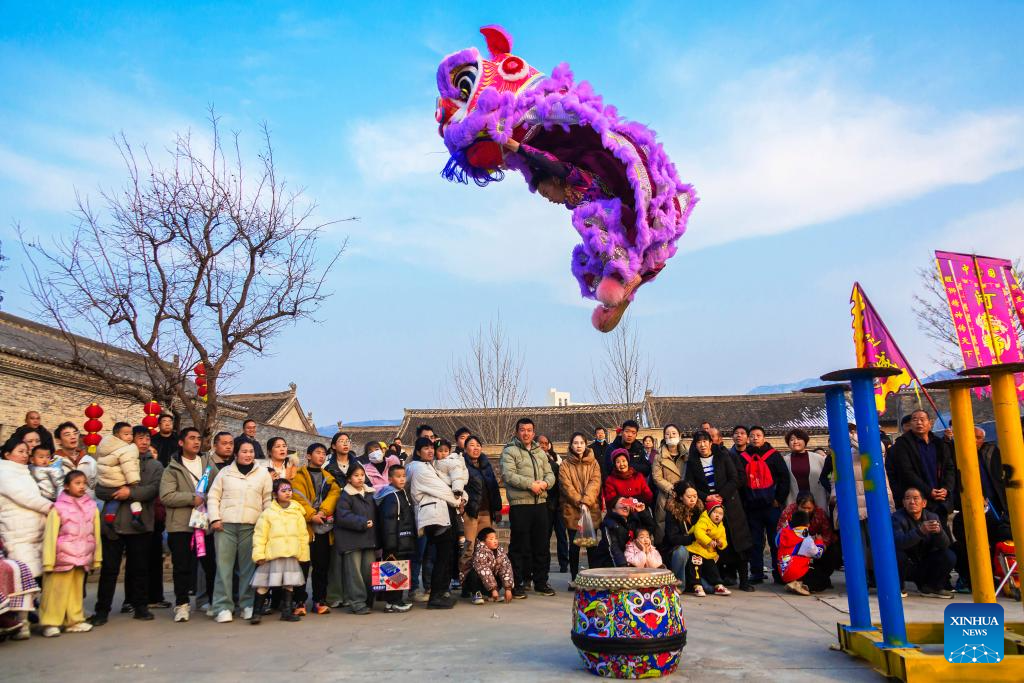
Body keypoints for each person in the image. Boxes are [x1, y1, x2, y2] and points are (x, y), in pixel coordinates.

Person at [91, 436, 163, 625]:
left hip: (140, 525)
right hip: (113, 524)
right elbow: (100, 490)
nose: (144, 442)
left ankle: (140, 607)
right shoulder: (111, 461)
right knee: (109, 570)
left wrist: (129, 493)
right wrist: (119, 491)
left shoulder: (154, 466)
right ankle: (102, 611)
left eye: (148, 438)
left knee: (140, 569)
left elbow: (153, 490)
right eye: (139, 439)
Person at [206, 439, 272, 623]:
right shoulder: (225, 473)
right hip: (225, 526)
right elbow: (213, 497)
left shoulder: (263, 474)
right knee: (224, 568)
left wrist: (265, 523)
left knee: (248, 569)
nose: (248, 454)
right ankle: (223, 607)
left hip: (251, 527)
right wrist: (215, 519)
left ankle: (247, 604)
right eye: (244, 451)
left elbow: (267, 500)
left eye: (251, 451)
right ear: (236, 454)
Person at [159, 426, 219, 623]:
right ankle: (182, 604)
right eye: (191, 438)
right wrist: (191, 498)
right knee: (182, 567)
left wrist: (208, 499)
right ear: (181, 442)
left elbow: (220, 487)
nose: (196, 442)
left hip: (204, 523)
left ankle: (211, 601)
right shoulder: (172, 468)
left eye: (198, 438)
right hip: (181, 525)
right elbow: (166, 496)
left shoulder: (208, 464)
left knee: (210, 565)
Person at [684, 429, 753, 591]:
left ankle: (744, 580)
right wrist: (707, 497)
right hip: (707, 508)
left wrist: (721, 495)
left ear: (710, 442)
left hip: (730, 503)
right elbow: (690, 484)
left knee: (738, 540)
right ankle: (719, 579)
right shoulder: (693, 462)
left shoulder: (723, 456)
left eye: (705, 441)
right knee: (713, 541)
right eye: (698, 442)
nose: (702, 445)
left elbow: (734, 478)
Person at [39, 470, 101, 637]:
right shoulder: (58, 508)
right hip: (62, 557)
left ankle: (74, 620)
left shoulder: (91, 506)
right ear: (67, 486)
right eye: (77, 483)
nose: (82, 487)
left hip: (82, 556)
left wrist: (96, 558)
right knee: (55, 591)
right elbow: (50, 535)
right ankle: (50, 622)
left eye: (83, 483)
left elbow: (96, 535)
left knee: (76, 590)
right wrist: (48, 561)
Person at [500, 418, 557, 597]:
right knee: (519, 546)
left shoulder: (539, 451)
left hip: (540, 504)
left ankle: (541, 581)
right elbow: (509, 475)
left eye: (529, 430)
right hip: (520, 504)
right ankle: (517, 583)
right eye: (522, 430)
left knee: (541, 545)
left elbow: (550, 473)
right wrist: (530, 484)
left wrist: (545, 484)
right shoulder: (510, 451)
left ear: (534, 432)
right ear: (517, 432)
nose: (526, 433)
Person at [407, 436, 462, 609]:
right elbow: (441, 489)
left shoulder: (429, 466)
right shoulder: (419, 468)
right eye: (425, 448)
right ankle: (435, 596)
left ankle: (439, 593)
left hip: (440, 513)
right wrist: (458, 500)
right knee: (441, 556)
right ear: (417, 452)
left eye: (432, 448)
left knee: (444, 556)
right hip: (434, 515)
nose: (430, 451)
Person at [248, 478, 307, 624]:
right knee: (263, 584)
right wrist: (259, 555)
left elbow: (303, 535)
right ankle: (256, 613)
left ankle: (286, 612)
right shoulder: (268, 513)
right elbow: (260, 535)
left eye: (289, 490)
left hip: (290, 555)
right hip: (271, 556)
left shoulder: (297, 512)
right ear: (275, 494)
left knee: (289, 583)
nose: (288, 493)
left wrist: (303, 555)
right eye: (283, 490)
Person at [292, 442, 339, 615]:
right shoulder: (298, 476)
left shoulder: (329, 477)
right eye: (317, 453)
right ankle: (299, 601)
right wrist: (312, 515)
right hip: (304, 527)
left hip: (323, 528)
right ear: (308, 456)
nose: (321, 456)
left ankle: (319, 599)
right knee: (302, 565)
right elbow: (298, 497)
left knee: (321, 566)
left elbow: (334, 496)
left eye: (323, 454)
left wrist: (323, 512)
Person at [739, 426, 790, 584]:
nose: (755, 438)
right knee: (755, 542)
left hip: (772, 506)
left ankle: (779, 572)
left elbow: (784, 478)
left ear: (764, 438)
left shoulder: (774, 456)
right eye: (752, 436)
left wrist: (779, 499)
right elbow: (740, 481)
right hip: (752, 507)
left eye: (758, 435)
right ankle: (756, 572)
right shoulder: (743, 457)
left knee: (776, 541)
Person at [0, 439, 53, 580]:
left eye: (27, 452)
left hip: (34, 533)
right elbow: (25, 497)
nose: (25, 455)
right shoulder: (4, 472)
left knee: (35, 579)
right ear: (7, 454)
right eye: (20, 452)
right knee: (25, 578)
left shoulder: (24, 471)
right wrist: (50, 507)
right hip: (18, 534)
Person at [887, 410, 956, 520]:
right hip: (917, 502)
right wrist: (928, 491)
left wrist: (946, 488)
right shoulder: (902, 444)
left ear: (930, 423)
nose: (919, 423)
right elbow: (906, 472)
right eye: (915, 420)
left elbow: (949, 468)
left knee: (941, 532)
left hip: (940, 500)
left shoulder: (939, 443)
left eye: (922, 420)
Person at [892, 487, 955, 598]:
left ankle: (932, 587)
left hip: (924, 563)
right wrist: (920, 532)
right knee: (896, 555)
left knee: (948, 555)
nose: (912, 502)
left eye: (916, 498)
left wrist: (939, 533)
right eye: (908, 498)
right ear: (903, 503)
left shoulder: (932, 517)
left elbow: (945, 545)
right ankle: (898, 587)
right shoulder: (896, 518)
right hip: (906, 564)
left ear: (924, 503)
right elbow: (899, 542)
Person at [558, 432, 602, 586]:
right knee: (574, 546)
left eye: (581, 443)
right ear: (571, 445)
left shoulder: (594, 463)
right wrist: (579, 501)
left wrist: (586, 501)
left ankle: (593, 578)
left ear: (586, 444)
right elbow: (566, 486)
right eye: (575, 443)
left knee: (591, 545)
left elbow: (595, 483)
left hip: (591, 509)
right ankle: (575, 578)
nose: (578, 446)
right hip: (572, 509)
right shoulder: (565, 464)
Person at [133, 426, 170, 611]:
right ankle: (134, 600)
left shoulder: (158, 468)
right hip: (136, 518)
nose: (150, 451)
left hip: (156, 517)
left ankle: (156, 596)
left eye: (154, 450)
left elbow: (158, 491)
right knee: (138, 562)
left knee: (156, 559)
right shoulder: (130, 463)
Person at [333, 464, 378, 615]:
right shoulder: (345, 496)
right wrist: (362, 522)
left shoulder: (371, 493)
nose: (360, 478)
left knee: (368, 572)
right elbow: (343, 516)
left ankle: (368, 600)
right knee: (355, 575)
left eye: (362, 475)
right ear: (349, 479)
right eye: (356, 475)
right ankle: (357, 603)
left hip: (369, 540)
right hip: (351, 541)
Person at [374, 463, 415, 613]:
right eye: (398, 477)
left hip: (401, 540)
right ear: (390, 478)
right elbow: (389, 522)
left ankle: (392, 602)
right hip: (395, 542)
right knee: (394, 572)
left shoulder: (401, 493)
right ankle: (394, 601)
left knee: (397, 572)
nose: (402, 479)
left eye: (404, 476)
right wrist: (390, 545)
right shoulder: (391, 496)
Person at [461, 435, 502, 586]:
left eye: (478, 445)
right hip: (470, 513)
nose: (476, 448)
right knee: (469, 548)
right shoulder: (461, 465)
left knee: (485, 547)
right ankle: (466, 583)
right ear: (465, 449)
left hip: (486, 512)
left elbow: (494, 488)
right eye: (472, 445)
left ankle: (483, 583)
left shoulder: (486, 464)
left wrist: (497, 508)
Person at [95, 423, 142, 525]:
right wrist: (133, 481)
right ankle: (137, 516)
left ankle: (110, 516)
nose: (130, 437)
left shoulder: (105, 445)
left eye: (131, 434)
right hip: (118, 480)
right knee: (134, 498)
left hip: (105, 482)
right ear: (117, 435)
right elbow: (129, 466)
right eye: (126, 434)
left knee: (114, 500)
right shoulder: (127, 449)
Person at [592, 495, 655, 568]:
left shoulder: (633, 521)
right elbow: (613, 547)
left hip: (628, 560)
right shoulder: (609, 524)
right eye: (622, 502)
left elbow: (649, 529)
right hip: (607, 562)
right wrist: (623, 567)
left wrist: (642, 512)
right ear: (613, 509)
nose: (625, 505)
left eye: (627, 503)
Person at [775, 509, 828, 596]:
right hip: (796, 572)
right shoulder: (806, 539)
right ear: (808, 524)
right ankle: (801, 584)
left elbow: (776, 542)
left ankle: (793, 583)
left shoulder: (783, 533)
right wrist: (819, 542)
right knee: (824, 581)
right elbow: (817, 554)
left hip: (784, 573)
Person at [685, 500, 731, 597]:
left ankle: (718, 585)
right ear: (709, 512)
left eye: (720, 513)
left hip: (709, 552)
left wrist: (721, 543)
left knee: (712, 568)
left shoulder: (721, 527)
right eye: (715, 512)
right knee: (696, 566)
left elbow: (723, 539)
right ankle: (696, 586)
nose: (717, 515)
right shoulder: (704, 520)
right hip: (696, 549)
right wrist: (708, 541)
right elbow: (698, 532)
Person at [538, 434, 569, 574]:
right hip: (545, 504)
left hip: (558, 504)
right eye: (541, 443)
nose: (543, 446)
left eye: (546, 443)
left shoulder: (556, 460)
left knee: (562, 535)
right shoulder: (535, 460)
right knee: (545, 536)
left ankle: (564, 565)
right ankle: (545, 564)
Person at [652, 424, 687, 544]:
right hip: (666, 496)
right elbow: (657, 478)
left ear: (679, 435)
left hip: (685, 496)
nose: (671, 436)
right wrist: (672, 489)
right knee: (663, 528)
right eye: (667, 434)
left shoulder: (686, 455)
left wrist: (683, 490)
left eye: (674, 433)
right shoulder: (658, 456)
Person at [465, 527, 514, 605]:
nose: (495, 541)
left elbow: (506, 569)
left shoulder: (500, 552)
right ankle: (476, 594)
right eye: (491, 539)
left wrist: (508, 589)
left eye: (496, 538)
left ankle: (490, 595)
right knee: (473, 573)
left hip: (488, 584)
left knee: (503, 569)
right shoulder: (479, 552)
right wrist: (493, 589)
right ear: (483, 542)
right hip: (476, 582)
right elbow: (484, 571)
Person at [662, 483, 701, 583]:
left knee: (708, 588)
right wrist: (693, 537)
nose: (693, 500)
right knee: (682, 551)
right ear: (680, 497)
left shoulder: (699, 510)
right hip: (675, 549)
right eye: (689, 497)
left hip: (696, 549)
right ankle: (678, 584)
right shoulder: (672, 512)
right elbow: (673, 538)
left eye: (695, 496)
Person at [782, 428, 829, 511]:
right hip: (794, 502)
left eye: (799, 439)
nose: (795, 442)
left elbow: (827, 478)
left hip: (817, 501)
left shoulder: (818, 458)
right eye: (792, 439)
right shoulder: (784, 460)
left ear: (805, 441)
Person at [53, 422, 97, 496]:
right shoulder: (54, 463)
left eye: (75, 433)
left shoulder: (89, 460)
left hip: (89, 503)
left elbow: (95, 485)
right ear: (58, 441)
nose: (73, 437)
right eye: (67, 435)